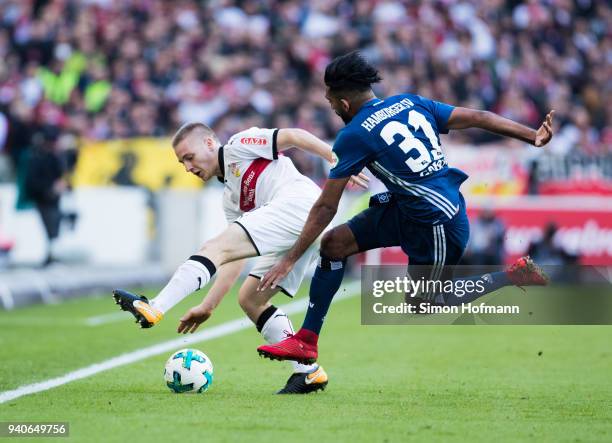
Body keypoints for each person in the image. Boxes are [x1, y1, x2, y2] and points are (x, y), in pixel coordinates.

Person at [256, 51, 554, 364]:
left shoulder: (354, 134)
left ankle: (513, 275)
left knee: (423, 303)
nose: (331, 107)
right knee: (333, 245)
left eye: (331, 102)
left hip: (437, 221)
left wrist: (290, 259)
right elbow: (479, 117)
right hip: (408, 207)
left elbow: (326, 207)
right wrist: (532, 135)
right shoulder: (410, 102)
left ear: (344, 103)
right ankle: (306, 341)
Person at [113, 122, 367, 394]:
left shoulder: (239, 144)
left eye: (189, 157)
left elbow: (293, 136)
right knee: (250, 298)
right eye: (181, 163)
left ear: (210, 143)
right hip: (300, 225)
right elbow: (233, 258)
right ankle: (308, 373)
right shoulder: (232, 198)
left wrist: (336, 160)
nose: (188, 167)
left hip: (299, 205)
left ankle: (156, 306)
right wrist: (208, 306)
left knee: (214, 245)